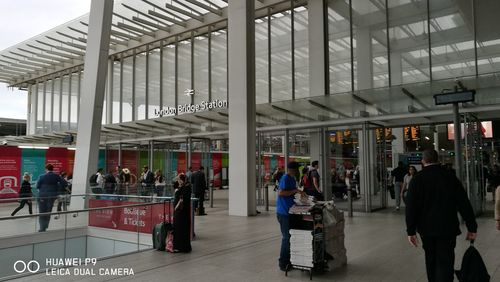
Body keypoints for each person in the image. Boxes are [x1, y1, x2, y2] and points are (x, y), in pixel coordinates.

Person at [405, 149, 477, 282]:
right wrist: (472, 227)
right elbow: (463, 203)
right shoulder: (450, 177)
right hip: (448, 228)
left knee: (430, 259)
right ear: (438, 160)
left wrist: (411, 231)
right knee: (446, 261)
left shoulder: (417, 179)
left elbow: (411, 208)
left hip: (426, 229)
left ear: (423, 161)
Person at [276, 161, 305, 272]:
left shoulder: (292, 179)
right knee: (287, 237)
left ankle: (290, 260)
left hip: (291, 211)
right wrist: (296, 190)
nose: (298, 170)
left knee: (292, 237)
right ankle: (283, 263)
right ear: (291, 169)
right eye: (297, 169)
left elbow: (291, 193)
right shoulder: (285, 178)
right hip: (283, 213)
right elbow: (281, 193)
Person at [36, 164, 65, 232]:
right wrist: (57, 189)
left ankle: (42, 227)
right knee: (49, 211)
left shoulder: (42, 176)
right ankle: (45, 226)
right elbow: (64, 183)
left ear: (46, 169)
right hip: (52, 196)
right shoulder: (56, 176)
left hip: (42, 195)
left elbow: (37, 186)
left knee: (42, 211)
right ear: (52, 169)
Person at [173, 173, 192, 252]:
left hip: (181, 212)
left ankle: (181, 247)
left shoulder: (186, 188)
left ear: (182, 180)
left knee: (181, 228)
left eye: (179, 179)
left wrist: (177, 191)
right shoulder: (184, 187)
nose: (178, 181)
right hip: (181, 213)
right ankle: (180, 246)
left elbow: (181, 199)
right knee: (180, 228)